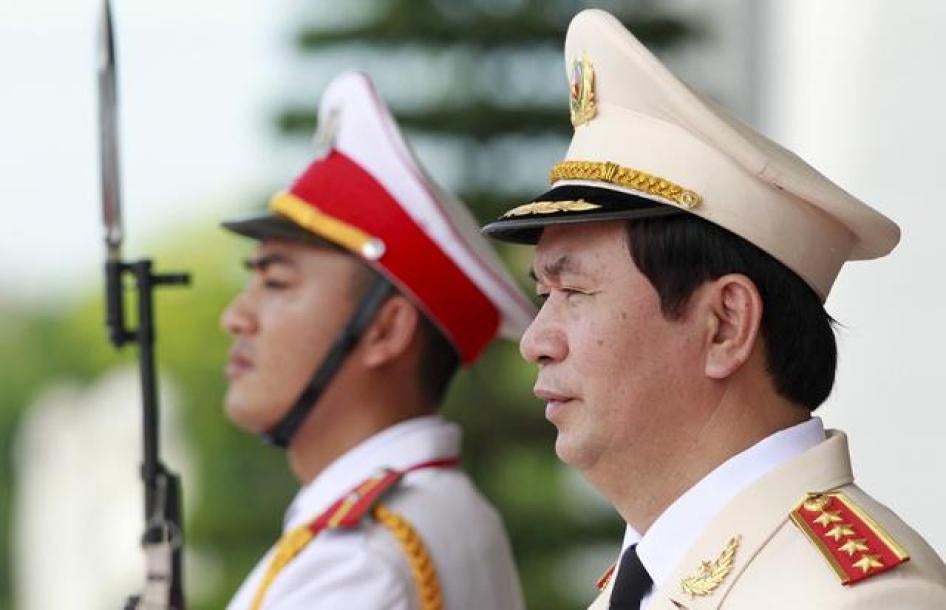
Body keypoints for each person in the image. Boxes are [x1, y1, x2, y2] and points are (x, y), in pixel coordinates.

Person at [482, 9, 946, 610]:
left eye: (575, 293)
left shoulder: (860, 600)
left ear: (725, 324)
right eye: (546, 295)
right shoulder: (644, 581)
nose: (535, 341)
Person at [219, 71, 533, 610]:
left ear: (387, 330)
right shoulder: (431, 513)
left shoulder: (358, 562)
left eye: (275, 282)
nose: (236, 317)